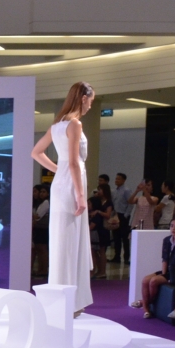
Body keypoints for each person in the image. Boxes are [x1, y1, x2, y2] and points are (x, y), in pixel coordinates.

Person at [31, 81, 95, 313]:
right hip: (70, 188)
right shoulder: (74, 124)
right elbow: (74, 162)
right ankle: (70, 303)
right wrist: (80, 195)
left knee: (62, 242)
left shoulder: (57, 125)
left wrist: (59, 171)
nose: (90, 106)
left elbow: (36, 152)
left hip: (61, 185)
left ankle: (65, 302)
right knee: (70, 243)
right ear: (83, 98)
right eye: (90, 101)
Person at [135, 217, 175, 318]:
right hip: (169, 270)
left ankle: (145, 303)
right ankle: (146, 310)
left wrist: (169, 276)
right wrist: (164, 274)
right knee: (145, 280)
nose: (173, 228)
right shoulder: (166, 240)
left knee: (153, 281)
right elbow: (165, 259)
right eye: (172, 226)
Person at [88, 182, 114, 280]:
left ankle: (103, 271)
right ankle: (99, 270)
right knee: (96, 251)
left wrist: (98, 211)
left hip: (103, 228)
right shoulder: (98, 200)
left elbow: (108, 215)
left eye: (100, 190)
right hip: (98, 227)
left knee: (102, 251)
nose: (98, 191)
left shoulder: (108, 202)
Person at [110, 172, 133, 262]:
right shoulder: (115, 191)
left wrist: (126, 215)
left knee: (124, 237)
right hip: (116, 215)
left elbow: (130, 203)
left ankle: (126, 257)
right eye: (116, 178)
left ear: (123, 180)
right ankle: (117, 256)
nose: (116, 180)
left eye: (118, 179)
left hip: (123, 215)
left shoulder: (126, 190)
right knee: (116, 236)